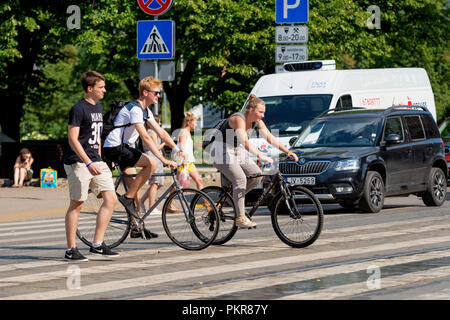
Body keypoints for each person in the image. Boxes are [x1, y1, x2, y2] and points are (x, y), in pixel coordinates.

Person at [102, 76, 179, 239]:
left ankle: (137, 226)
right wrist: (163, 160)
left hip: (125, 148)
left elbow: (161, 132)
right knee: (150, 163)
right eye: (156, 93)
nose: (159, 96)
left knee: (134, 189)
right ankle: (127, 198)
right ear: (145, 92)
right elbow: (145, 137)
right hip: (115, 148)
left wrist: (177, 148)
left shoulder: (145, 110)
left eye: (160, 93)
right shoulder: (135, 109)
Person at [210, 94, 299, 229]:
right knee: (240, 179)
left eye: (264, 113)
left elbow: (270, 137)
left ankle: (233, 200)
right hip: (220, 151)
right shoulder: (238, 119)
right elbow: (244, 142)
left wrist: (287, 151)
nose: (263, 115)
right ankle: (240, 217)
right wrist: (260, 155)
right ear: (251, 110)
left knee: (256, 175)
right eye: (261, 112)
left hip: (235, 150)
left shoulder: (256, 122)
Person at [63, 70, 119, 261]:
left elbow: (97, 138)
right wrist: (87, 162)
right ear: (90, 88)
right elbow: (73, 138)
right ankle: (71, 249)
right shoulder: (78, 109)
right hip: (78, 162)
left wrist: (100, 159)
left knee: (111, 199)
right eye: (101, 87)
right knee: (77, 204)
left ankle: (97, 244)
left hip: (96, 160)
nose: (104, 90)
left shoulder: (99, 107)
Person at [138, 115, 165, 215]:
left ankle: (141, 201)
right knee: (155, 183)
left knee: (156, 183)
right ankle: (151, 207)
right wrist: (164, 143)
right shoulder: (152, 133)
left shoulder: (147, 132)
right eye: (159, 122)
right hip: (154, 158)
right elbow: (156, 148)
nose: (160, 124)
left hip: (153, 158)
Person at [176, 112, 204, 190]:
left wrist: (197, 146)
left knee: (199, 181)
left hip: (189, 162)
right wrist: (183, 160)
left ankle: (206, 202)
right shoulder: (183, 132)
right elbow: (181, 146)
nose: (196, 125)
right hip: (185, 162)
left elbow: (187, 147)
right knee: (178, 185)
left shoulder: (187, 132)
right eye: (194, 123)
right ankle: (169, 202)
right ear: (189, 123)